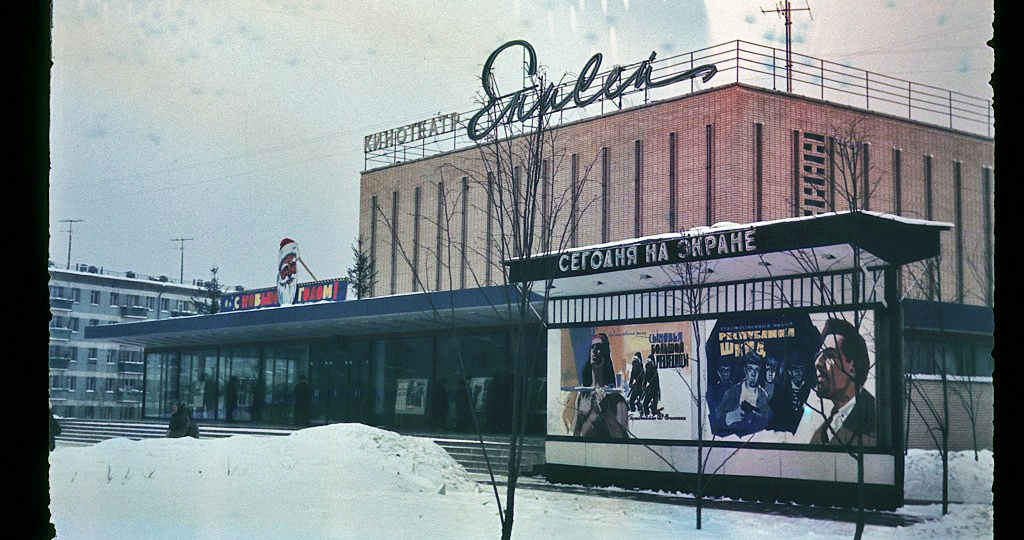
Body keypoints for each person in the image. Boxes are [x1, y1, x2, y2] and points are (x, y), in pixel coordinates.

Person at [810, 318, 876, 446]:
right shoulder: (824, 430)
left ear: (853, 368)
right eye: (819, 354)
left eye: (829, 355)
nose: (818, 362)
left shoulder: (877, 424)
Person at [572, 333, 628, 439]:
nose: (594, 351)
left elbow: (623, 440)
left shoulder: (617, 400)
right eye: (592, 347)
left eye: (599, 347)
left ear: (605, 354)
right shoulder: (582, 396)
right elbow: (575, 433)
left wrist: (607, 413)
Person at [715, 353, 771, 434]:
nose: (753, 374)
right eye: (750, 369)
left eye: (756, 370)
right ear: (745, 370)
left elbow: (767, 423)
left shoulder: (763, 396)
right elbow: (717, 416)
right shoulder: (733, 391)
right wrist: (732, 416)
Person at [641, 354, 661, 418]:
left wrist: (648, 387)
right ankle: (647, 414)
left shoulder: (655, 373)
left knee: (654, 406)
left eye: (649, 366)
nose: (648, 367)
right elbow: (644, 381)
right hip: (649, 391)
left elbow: (655, 384)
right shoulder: (647, 372)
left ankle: (655, 413)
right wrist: (644, 387)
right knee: (645, 404)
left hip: (655, 391)